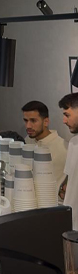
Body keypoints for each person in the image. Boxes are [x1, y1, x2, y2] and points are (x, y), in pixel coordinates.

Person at [22, 100, 68, 188]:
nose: (28, 126)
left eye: (33, 121)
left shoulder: (64, 147)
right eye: (26, 120)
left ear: (46, 122)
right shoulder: (27, 141)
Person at [59, 94, 78, 227]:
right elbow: (68, 182)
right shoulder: (73, 143)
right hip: (71, 224)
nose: (64, 121)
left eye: (67, 115)